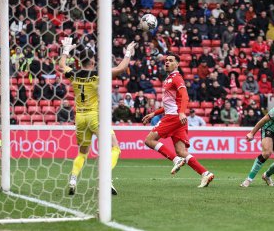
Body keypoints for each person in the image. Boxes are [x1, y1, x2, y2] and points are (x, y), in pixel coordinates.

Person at [59, 37, 136, 195]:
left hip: (80, 118)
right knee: (115, 147)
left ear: (80, 62)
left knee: (82, 153)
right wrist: (128, 52)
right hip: (96, 117)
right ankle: (105, 178)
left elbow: (61, 65)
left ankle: (73, 179)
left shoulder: (73, 74)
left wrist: (66, 49)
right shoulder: (99, 75)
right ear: (93, 61)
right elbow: (121, 68)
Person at [142, 52, 214, 187]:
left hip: (174, 117)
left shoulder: (177, 78)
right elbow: (170, 103)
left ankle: (176, 160)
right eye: (166, 61)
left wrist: (181, 113)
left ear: (177, 64)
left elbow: (185, 96)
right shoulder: (168, 79)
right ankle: (205, 174)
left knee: (149, 140)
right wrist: (154, 113)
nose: (167, 62)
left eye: (170, 60)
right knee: (181, 151)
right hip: (177, 118)